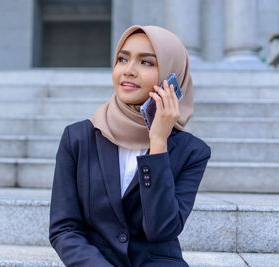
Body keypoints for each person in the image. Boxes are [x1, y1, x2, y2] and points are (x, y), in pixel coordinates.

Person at [49, 25, 211, 267]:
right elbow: (64, 229)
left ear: (172, 76)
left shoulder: (192, 152)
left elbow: (161, 230)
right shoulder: (79, 138)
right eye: (122, 59)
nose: (129, 71)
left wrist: (158, 142)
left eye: (146, 63)